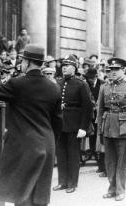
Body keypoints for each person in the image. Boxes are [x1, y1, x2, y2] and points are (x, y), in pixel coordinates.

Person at [0, 44, 62, 206]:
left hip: (24, 146)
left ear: (27, 62)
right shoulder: (54, 88)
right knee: (39, 196)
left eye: (23, 61)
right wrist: (50, 143)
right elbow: (57, 122)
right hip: (47, 145)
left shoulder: (18, 84)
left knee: (21, 194)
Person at [53, 54, 93, 193]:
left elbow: (87, 107)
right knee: (61, 154)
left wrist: (83, 127)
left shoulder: (81, 84)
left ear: (74, 68)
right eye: (63, 66)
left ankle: (72, 183)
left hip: (75, 126)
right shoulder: (58, 83)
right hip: (60, 125)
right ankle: (62, 181)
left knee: (73, 154)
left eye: (67, 66)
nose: (64, 68)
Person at [97, 57, 126, 201]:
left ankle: (121, 189)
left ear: (123, 70)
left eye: (117, 69)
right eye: (111, 70)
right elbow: (100, 109)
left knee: (122, 160)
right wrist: (100, 129)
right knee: (109, 160)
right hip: (107, 125)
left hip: (123, 127)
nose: (113, 72)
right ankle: (112, 188)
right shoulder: (104, 87)